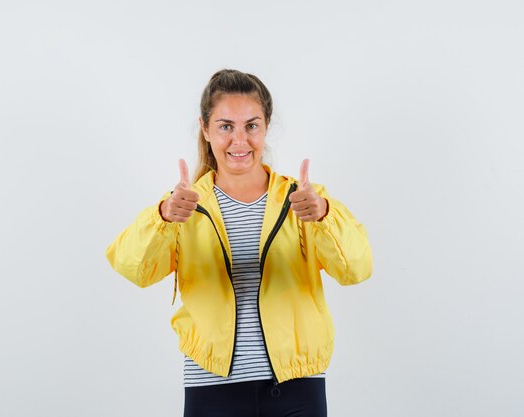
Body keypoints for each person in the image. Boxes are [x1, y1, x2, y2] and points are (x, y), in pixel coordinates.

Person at [106, 69, 372, 417]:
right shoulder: (184, 204)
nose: (240, 140)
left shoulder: (303, 199)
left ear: (266, 127)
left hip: (298, 387)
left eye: (252, 125)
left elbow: (357, 268)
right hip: (211, 388)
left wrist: (323, 215)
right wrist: (163, 217)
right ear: (205, 128)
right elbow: (132, 267)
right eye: (225, 126)